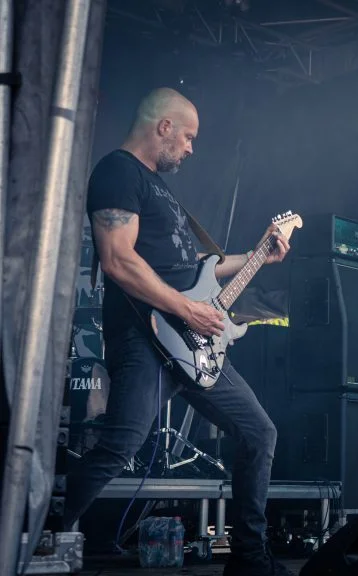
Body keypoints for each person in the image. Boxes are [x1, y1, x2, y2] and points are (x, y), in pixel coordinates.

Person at [64, 87, 292, 576]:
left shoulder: (159, 189)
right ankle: (37, 531)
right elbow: (118, 260)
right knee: (120, 444)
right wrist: (187, 311)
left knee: (259, 432)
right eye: (188, 137)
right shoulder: (118, 171)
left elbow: (198, 269)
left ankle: (250, 559)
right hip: (145, 336)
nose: (190, 148)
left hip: (194, 342)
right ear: (163, 126)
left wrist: (259, 255)